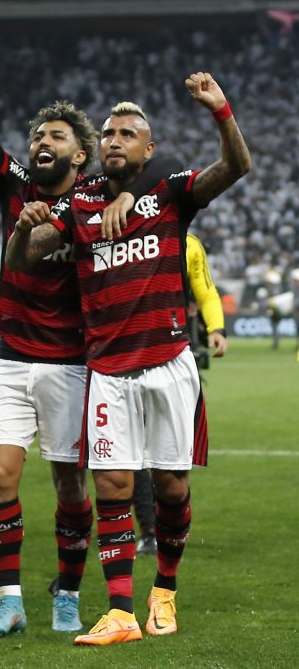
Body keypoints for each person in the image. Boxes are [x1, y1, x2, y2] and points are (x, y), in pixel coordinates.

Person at [0, 3, 181, 637]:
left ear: (83, 155)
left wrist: (129, 189)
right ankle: (10, 598)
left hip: (75, 360)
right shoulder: (16, 187)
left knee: (72, 491)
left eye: (55, 137)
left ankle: (70, 592)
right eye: (37, 137)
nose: (40, 144)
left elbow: (160, 163)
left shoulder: (99, 194)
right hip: (13, 355)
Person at [6, 73, 250, 644]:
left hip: (168, 363)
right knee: (112, 485)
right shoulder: (82, 200)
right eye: (109, 132)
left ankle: (163, 591)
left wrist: (221, 112)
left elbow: (236, 168)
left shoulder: (171, 192)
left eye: (127, 133)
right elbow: (24, 262)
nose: (114, 139)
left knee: (170, 489)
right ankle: (120, 613)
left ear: (149, 148)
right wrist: (22, 229)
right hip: (107, 370)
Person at [135, 232, 227, 555]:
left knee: (169, 458)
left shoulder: (189, 243)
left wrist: (216, 328)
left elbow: (206, 289)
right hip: (124, 357)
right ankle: (149, 530)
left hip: (172, 356)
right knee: (130, 456)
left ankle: (165, 524)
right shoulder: (117, 229)